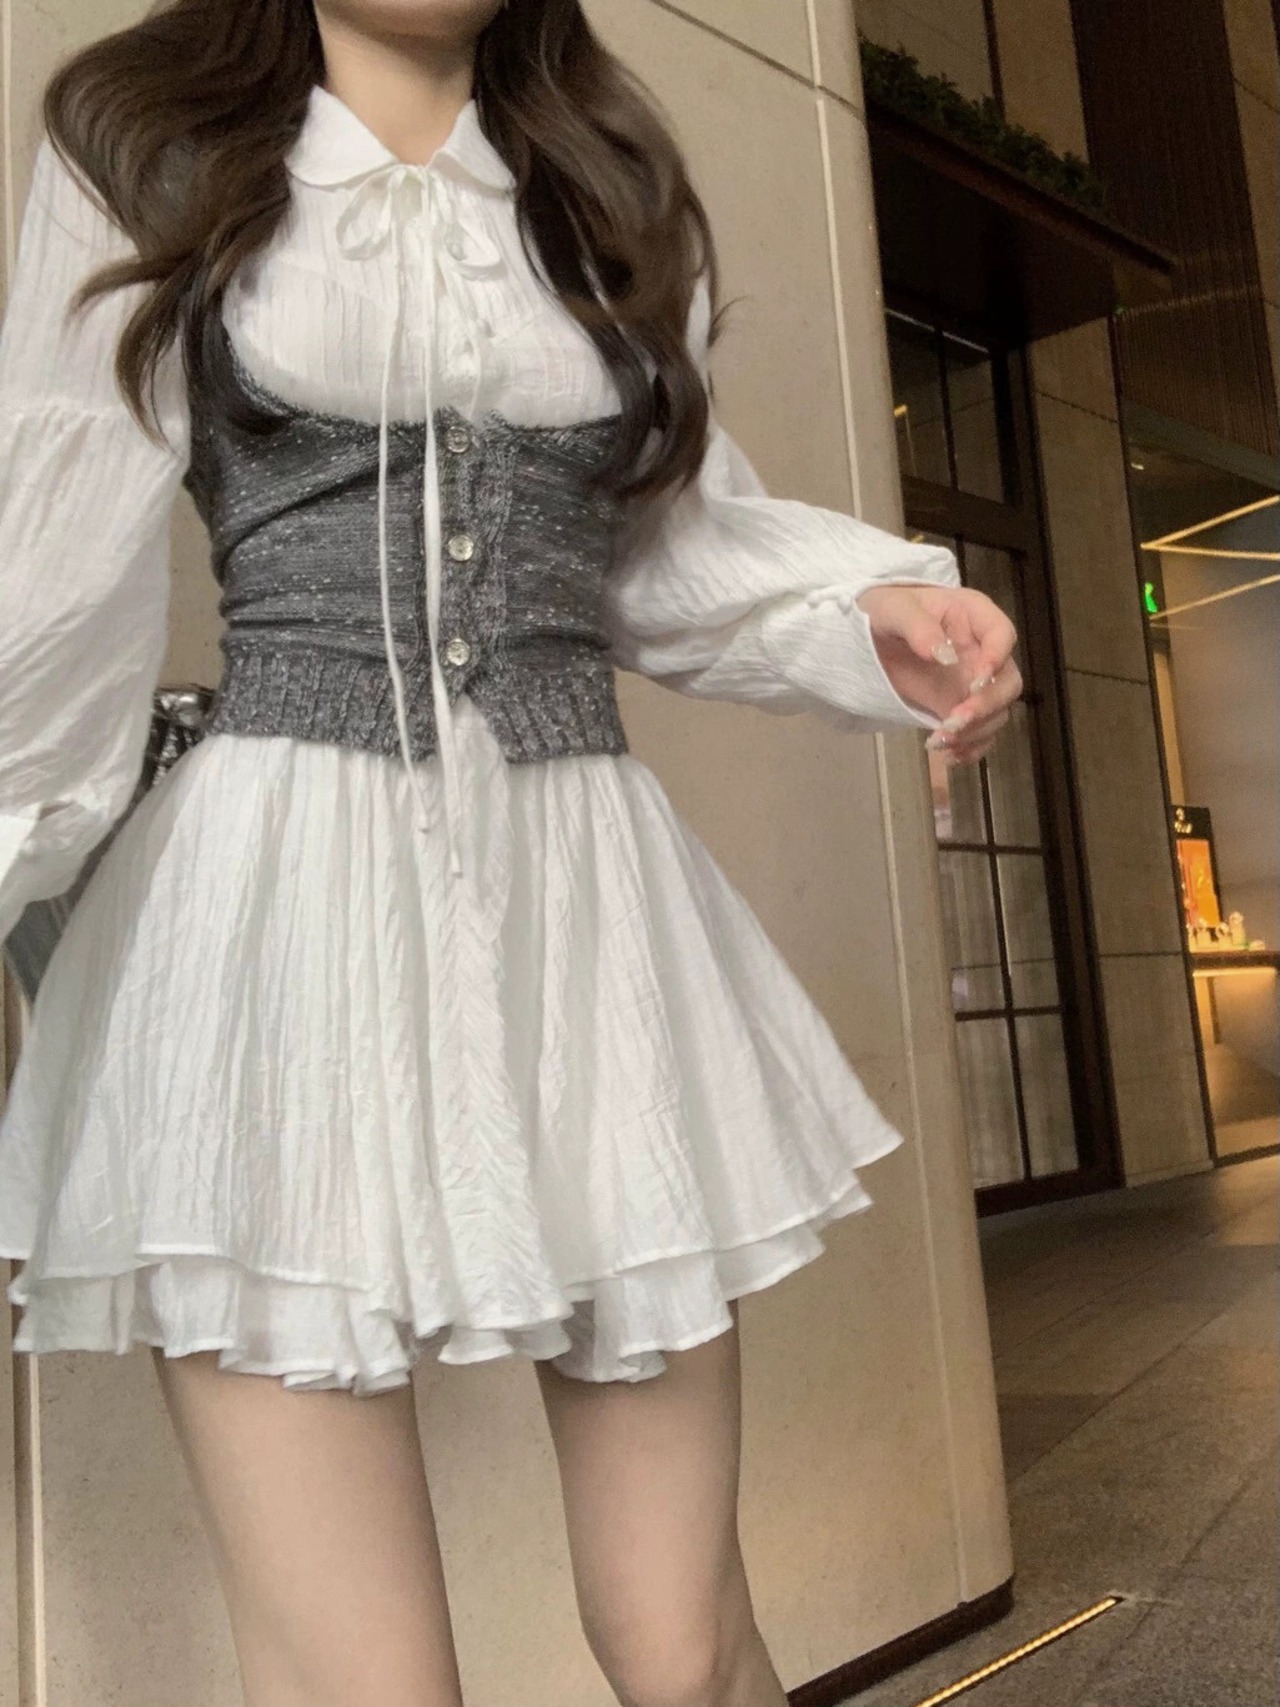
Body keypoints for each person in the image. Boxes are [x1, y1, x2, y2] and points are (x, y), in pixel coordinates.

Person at [0, 2, 1022, 1704]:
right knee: (366, 1683)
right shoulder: (142, 134)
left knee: (683, 1643)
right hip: (274, 923)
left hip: (584, 915)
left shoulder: (601, 174)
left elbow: (663, 547)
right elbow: (46, 566)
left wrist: (866, 613)